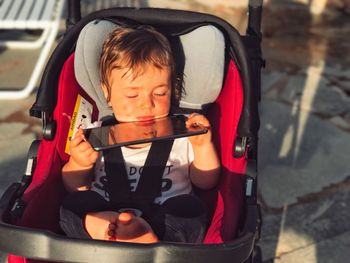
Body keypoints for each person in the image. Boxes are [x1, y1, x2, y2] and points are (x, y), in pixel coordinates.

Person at [59, 25, 220, 244]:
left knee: (190, 208)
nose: (147, 104)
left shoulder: (182, 133)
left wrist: (202, 147)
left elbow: (206, 182)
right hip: (108, 213)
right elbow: (74, 186)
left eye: (160, 93)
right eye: (132, 95)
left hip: (163, 224)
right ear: (107, 92)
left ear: (172, 89)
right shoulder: (97, 133)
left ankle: (140, 238)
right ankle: (113, 230)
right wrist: (79, 164)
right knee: (74, 204)